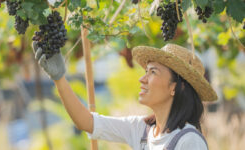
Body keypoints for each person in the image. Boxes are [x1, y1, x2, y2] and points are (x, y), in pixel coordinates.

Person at [32, 42, 218, 150]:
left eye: (153, 72)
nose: (142, 78)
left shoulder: (189, 141)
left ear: (176, 88)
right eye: (146, 71)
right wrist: (59, 79)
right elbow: (87, 122)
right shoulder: (142, 130)